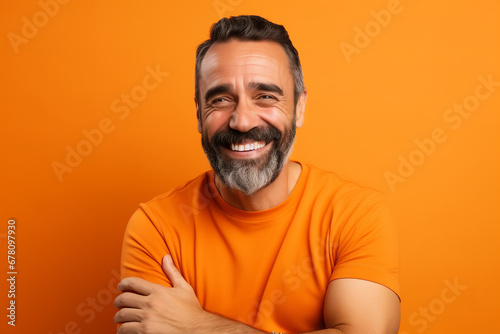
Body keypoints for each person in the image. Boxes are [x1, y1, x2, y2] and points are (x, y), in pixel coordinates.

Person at [113, 15, 400, 334]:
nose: (242, 121)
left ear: (300, 107)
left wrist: (199, 326)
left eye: (265, 96)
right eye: (220, 99)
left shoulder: (355, 215)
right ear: (198, 113)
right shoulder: (156, 227)